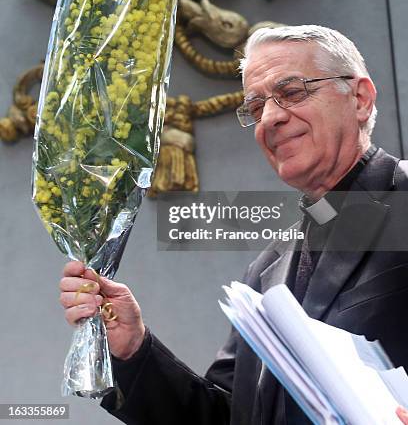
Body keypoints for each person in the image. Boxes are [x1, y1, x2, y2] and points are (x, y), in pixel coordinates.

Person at [60, 25, 408, 424]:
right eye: (257, 107)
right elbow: (231, 417)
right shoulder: (268, 267)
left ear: (360, 98)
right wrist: (132, 349)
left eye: (292, 92)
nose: (271, 119)